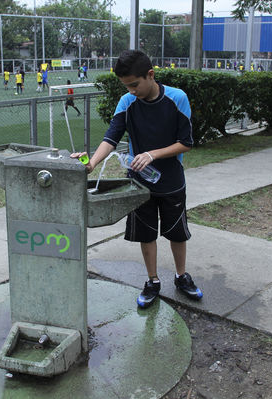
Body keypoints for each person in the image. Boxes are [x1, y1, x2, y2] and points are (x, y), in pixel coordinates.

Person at [70, 50, 202, 309]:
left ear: (150, 75)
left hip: (172, 180)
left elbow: (185, 143)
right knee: (146, 233)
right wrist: (92, 163)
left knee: (177, 233)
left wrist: (153, 154)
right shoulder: (126, 102)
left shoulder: (177, 98)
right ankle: (152, 281)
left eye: (134, 84)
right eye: (126, 86)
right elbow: (111, 137)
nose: (131, 91)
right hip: (139, 183)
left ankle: (181, 276)